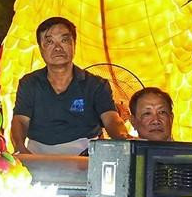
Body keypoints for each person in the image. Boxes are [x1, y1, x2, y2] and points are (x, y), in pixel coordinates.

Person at [8, 16, 126, 155]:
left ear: (74, 45)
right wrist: (20, 149)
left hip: (86, 155)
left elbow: (111, 119)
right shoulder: (29, 83)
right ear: (40, 49)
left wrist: (124, 139)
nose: (58, 48)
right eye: (49, 42)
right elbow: (20, 121)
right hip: (37, 155)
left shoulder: (97, 85)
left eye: (64, 40)